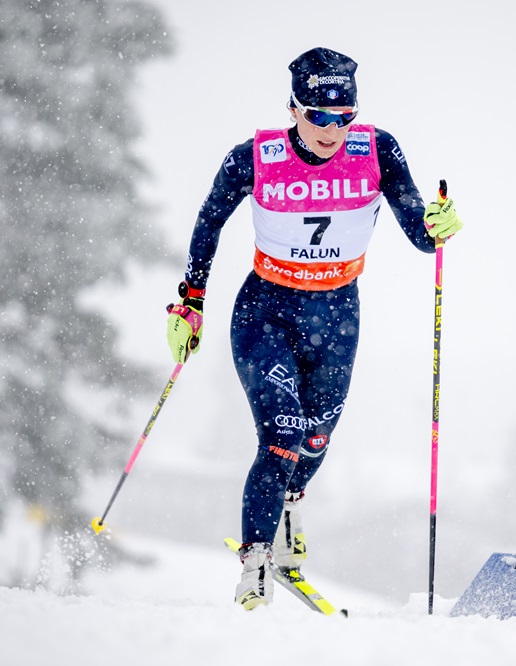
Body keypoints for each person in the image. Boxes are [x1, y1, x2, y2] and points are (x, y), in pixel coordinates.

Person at [165, 47, 462, 609]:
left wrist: (436, 224)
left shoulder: (376, 150)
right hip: (266, 312)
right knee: (282, 436)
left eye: (343, 116)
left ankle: (290, 504)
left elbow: (420, 232)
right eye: (319, 116)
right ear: (295, 108)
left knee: (317, 438)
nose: (332, 129)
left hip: (337, 315)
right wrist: (191, 300)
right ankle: (255, 560)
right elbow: (209, 220)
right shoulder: (257, 156)